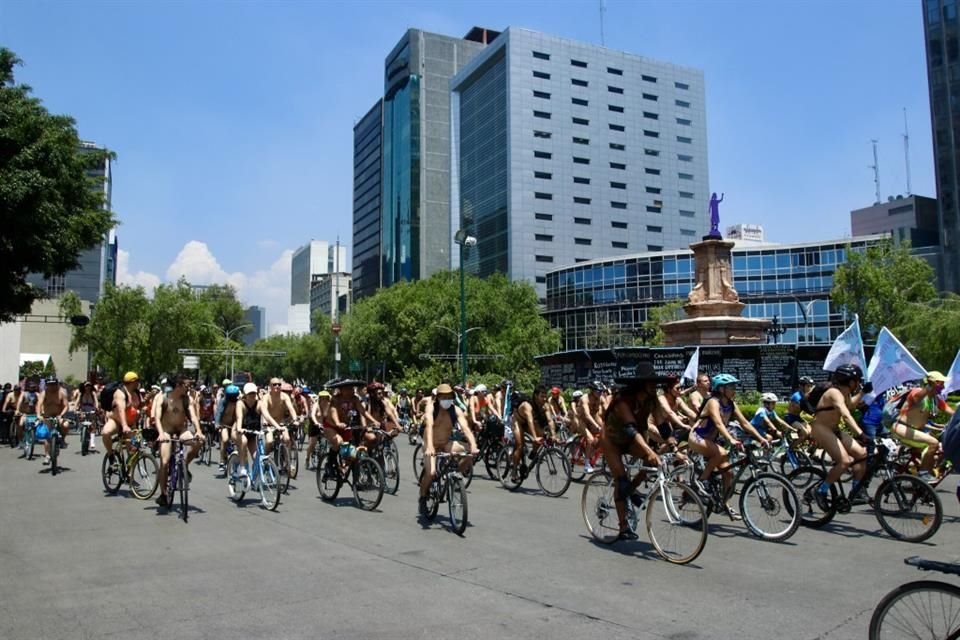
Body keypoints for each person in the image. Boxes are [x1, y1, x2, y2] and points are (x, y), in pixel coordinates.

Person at [599, 365, 669, 540]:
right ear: (641, 384)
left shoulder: (653, 400)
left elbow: (662, 424)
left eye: (655, 383)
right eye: (650, 383)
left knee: (651, 463)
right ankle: (623, 527)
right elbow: (631, 429)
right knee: (621, 481)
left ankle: (632, 489)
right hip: (612, 440)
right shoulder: (623, 400)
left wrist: (673, 442)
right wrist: (648, 450)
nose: (654, 386)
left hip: (631, 440)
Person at [687, 373, 770, 518]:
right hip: (697, 437)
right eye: (731, 387)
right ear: (721, 389)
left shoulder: (731, 404)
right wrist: (730, 439)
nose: (734, 390)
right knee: (722, 453)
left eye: (734, 386)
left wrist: (761, 438)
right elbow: (718, 423)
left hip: (712, 441)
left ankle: (724, 504)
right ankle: (701, 482)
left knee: (729, 474)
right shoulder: (713, 402)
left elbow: (745, 423)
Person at [809, 364, 870, 506]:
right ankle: (821, 490)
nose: (859, 383)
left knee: (862, 454)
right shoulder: (834, 392)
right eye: (857, 380)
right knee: (845, 461)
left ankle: (856, 490)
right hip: (821, 428)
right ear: (850, 381)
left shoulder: (845, 393)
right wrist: (861, 434)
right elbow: (846, 414)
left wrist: (863, 393)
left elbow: (850, 406)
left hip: (834, 429)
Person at [418, 383, 479, 516]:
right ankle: (422, 497)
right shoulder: (431, 408)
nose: (446, 399)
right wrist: (428, 447)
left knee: (469, 454)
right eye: (443, 397)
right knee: (432, 473)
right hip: (431, 444)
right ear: (438, 398)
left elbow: (466, 429)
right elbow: (428, 426)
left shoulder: (455, 410)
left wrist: (473, 445)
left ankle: (456, 475)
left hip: (446, 443)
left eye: (449, 396)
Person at [889, 372, 955, 480]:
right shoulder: (917, 392)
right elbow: (916, 398)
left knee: (935, 453)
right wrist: (930, 386)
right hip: (902, 428)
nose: (943, 387)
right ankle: (923, 473)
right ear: (932, 383)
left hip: (916, 431)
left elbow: (951, 411)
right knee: (933, 443)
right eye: (941, 384)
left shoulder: (935, 399)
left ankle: (920, 479)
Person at [152, 375, 201, 509]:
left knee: (198, 443)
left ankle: (184, 465)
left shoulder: (187, 399)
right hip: (166, 432)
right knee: (165, 461)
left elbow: (193, 417)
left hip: (181, 430)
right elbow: (156, 418)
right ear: (178, 385)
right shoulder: (162, 397)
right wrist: (161, 433)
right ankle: (163, 493)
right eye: (187, 385)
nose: (189, 388)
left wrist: (198, 431)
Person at [509, 385, 558, 477]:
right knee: (520, 445)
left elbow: (550, 420)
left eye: (545, 396)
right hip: (518, 422)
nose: (544, 398)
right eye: (542, 396)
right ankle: (514, 470)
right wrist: (534, 438)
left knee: (542, 435)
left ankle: (533, 453)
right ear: (536, 396)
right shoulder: (527, 406)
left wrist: (554, 435)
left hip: (528, 423)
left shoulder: (545, 405)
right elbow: (530, 421)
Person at [101, 372, 141, 456]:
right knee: (105, 433)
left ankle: (130, 467)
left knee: (134, 451)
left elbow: (139, 406)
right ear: (132, 382)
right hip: (117, 422)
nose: (138, 383)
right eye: (137, 381)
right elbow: (121, 410)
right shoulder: (120, 393)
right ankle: (110, 455)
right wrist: (124, 426)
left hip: (131, 425)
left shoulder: (136, 393)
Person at [261, 378, 298, 462]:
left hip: (281, 423)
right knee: (269, 441)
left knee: (287, 439)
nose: (277, 386)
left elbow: (291, 409)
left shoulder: (284, 396)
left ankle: (288, 462)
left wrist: (295, 419)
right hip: (269, 424)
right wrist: (275, 425)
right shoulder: (266, 397)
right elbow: (266, 414)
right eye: (274, 384)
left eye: (279, 384)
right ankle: (265, 460)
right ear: (270, 386)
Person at [573, 382, 606, 473]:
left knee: (605, 433)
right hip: (581, 420)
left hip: (594, 417)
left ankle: (592, 452)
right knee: (590, 439)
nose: (600, 393)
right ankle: (587, 464)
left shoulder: (601, 398)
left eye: (602, 392)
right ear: (592, 391)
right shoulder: (585, 399)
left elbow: (607, 409)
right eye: (598, 391)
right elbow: (587, 415)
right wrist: (596, 426)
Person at [656, 376, 697, 446]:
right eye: (677, 388)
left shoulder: (677, 399)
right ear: (669, 390)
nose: (680, 390)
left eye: (681, 387)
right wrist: (683, 425)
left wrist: (700, 419)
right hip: (658, 430)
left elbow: (689, 411)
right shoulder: (661, 398)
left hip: (671, 429)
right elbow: (670, 413)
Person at [233, 382, 263, 477]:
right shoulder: (240, 403)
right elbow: (239, 417)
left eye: (254, 393)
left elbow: (267, 415)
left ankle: (255, 478)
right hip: (238, 432)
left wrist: (275, 426)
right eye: (250, 393)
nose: (252, 395)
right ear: (245, 394)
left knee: (256, 458)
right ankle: (241, 467)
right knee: (244, 441)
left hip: (252, 434)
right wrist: (239, 428)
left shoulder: (259, 403)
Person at [38, 377, 69, 464]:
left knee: (65, 425)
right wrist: (38, 415)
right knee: (47, 435)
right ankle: (47, 455)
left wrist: (61, 415)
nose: (52, 386)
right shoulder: (44, 393)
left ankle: (62, 440)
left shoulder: (62, 393)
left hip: (59, 415)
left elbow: (66, 406)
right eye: (50, 384)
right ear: (47, 385)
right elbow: (39, 404)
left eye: (54, 384)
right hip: (47, 416)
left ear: (57, 384)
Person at [215, 384, 241, 473]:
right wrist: (217, 424)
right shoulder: (223, 401)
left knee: (238, 440)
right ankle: (222, 461)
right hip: (224, 424)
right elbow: (218, 413)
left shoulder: (239, 402)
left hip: (234, 424)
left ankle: (238, 459)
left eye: (234, 396)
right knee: (225, 440)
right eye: (231, 396)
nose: (233, 398)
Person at [306, 390, 334, 470]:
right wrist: (316, 423)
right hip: (315, 425)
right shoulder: (316, 405)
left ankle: (327, 460)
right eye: (322, 398)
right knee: (312, 444)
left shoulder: (329, 405)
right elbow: (313, 415)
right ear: (320, 399)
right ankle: (307, 458)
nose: (324, 400)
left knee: (329, 442)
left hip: (324, 425)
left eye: (326, 398)